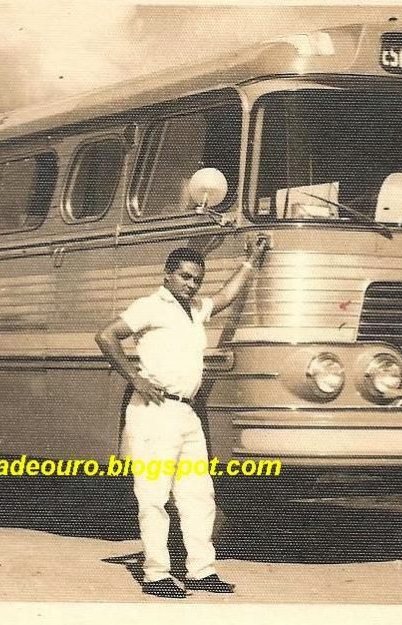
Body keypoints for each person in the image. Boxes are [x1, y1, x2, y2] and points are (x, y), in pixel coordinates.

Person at [95, 236, 269, 599]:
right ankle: (156, 573)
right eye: (186, 277)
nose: (191, 285)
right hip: (155, 412)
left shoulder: (194, 309)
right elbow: (107, 335)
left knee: (198, 494)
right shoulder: (150, 306)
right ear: (168, 276)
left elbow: (224, 297)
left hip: (186, 412)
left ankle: (201, 571)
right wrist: (135, 378)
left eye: (196, 280)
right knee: (154, 495)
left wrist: (250, 261)